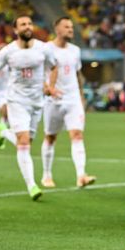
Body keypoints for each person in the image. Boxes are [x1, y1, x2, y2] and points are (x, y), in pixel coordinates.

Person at [0, 15, 58, 201]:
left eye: (29, 24)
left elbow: (54, 67)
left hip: (37, 101)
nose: (27, 27)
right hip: (16, 100)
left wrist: (50, 86)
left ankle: (3, 133)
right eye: (23, 24)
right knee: (24, 141)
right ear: (16, 30)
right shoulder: (8, 51)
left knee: (27, 141)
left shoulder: (43, 48)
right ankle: (32, 185)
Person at [40, 17, 96, 188]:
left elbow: (77, 74)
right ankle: (46, 175)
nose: (71, 29)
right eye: (67, 27)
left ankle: (81, 176)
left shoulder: (75, 50)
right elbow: (39, 72)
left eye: (72, 26)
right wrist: (46, 88)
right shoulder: (46, 49)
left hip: (72, 99)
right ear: (57, 29)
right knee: (50, 137)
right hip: (53, 100)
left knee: (77, 135)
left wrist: (81, 96)